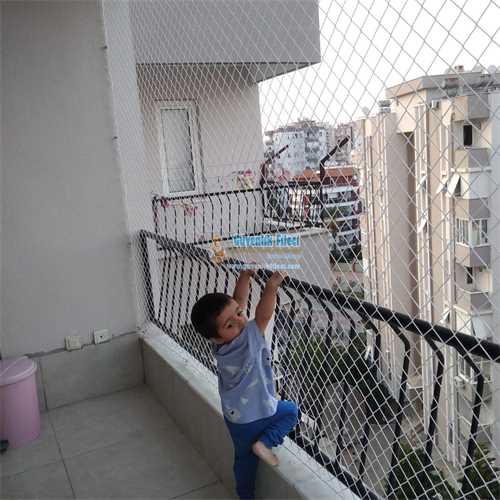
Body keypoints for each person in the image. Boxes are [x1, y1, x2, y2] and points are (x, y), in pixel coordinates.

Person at [190, 268, 300, 500]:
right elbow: (263, 314)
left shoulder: (219, 345)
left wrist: (244, 277)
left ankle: (245, 496)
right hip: (262, 411)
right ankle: (265, 443)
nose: (240, 321)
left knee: (243, 459)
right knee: (291, 411)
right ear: (217, 336)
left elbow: (238, 301)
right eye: (230, 325)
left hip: (236, 419)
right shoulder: (249, 337)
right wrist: (271, 287)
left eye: (240, 314)